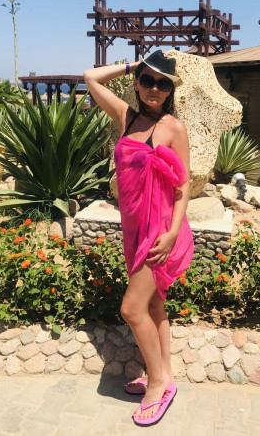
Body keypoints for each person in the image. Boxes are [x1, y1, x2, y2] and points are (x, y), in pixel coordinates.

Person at [83, 50, 194, 426]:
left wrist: (173, 232)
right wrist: (135, 63)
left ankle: (157, 382)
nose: (154, 88)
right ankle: (165, 375)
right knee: (154, 306)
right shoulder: (125, 117)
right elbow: (91, 77)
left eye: (163, 84)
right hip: (133, 230)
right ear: (136, 83)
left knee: (132, 309)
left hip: (159, 232)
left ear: (170, 91)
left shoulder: (174, 129)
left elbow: (183, 188)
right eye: (147, 80)